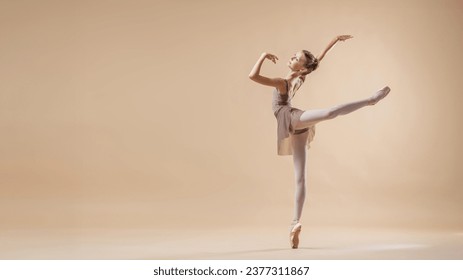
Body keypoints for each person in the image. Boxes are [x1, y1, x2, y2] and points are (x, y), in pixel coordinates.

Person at [248, 35, 390, 249]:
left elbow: (253, 76)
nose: (292, 57)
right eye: (294, 56)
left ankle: (370, 100)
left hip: (291, 118)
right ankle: (295, 223)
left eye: (296, 57)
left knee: (330, 113)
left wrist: (262, 56)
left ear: (301, 66)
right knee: (300, 177)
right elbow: (318, 59)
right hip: (294, 122)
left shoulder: (282, 82)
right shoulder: (298, 76)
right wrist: (334, 40)